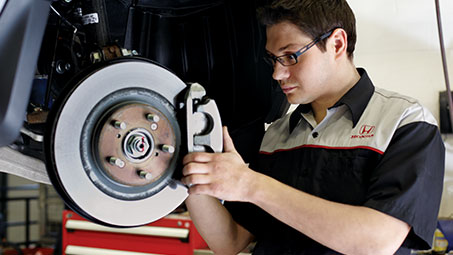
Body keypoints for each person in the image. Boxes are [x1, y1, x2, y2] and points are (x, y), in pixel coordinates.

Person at [181, 0, 445, 254]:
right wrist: (185, 166)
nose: (277, 74)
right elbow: (229, 241)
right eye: (273, 59)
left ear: (337, 44)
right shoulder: (276, 134)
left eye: (290, 56)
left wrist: (251, 184)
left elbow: (376, 242)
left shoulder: (404, 121)